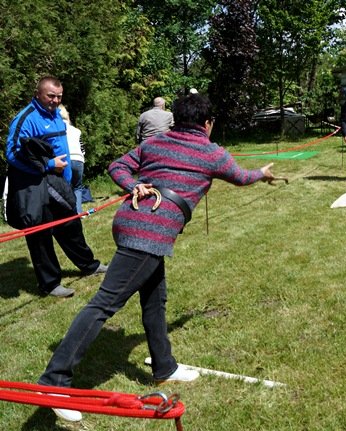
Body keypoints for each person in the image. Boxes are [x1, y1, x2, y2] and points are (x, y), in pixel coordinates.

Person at [38, 93, 277, 423]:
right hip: (148, 233)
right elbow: (241, 177)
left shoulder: (157, 143)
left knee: (154, 299)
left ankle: (164, 366)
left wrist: (133, 184)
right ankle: (54, 383)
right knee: (104, 304)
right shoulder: (212, 152)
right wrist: (261, 173)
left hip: (129, 224)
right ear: (208, 124)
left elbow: (117, 166)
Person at [4, 76, 107, 298]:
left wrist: (67, 178)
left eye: (59, 96)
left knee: (70, 224)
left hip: (58, 184)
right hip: (34, 186)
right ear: (38, 93)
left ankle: (89, 265)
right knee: (40, 234)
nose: (55, 100)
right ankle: (50, 284)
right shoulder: (26, 118)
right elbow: (12, 154)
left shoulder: (57, 116)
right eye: (51, 95)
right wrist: (49, 164)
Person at [59, 105, 85, 214]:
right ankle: (78, 212)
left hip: (65, 158)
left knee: (65, 187)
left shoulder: (57, 129)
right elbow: (82, 149)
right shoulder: (76, 130)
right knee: (77, 187)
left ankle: (66, 213)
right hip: (79, 159)